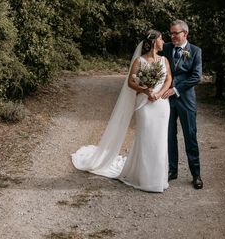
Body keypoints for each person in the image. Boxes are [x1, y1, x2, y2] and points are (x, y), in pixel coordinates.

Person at [71, 30, 172, 192]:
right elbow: (131, 83)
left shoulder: (164, 60)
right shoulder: (139, 61)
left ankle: (158, 179)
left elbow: (168, 79)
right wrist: (146, 91)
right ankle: (144, 178)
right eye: (161, 39)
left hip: (161, 105)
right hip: (144, 104)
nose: (163, 42)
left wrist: (159, 94)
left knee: (160, 140)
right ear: (154, 42)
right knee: (146, 138)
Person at [160, 19, 203, 189]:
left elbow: (196, 77)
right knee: (169, 135)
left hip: (186, 100)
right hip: (166, 100)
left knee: (190, 136)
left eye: (175, 33)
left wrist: (176, 89)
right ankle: (172, 170)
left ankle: (196, 174)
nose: (172, 36)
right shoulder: (166, 48)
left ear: (185, 33)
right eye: (170, 33)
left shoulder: (195, 51)